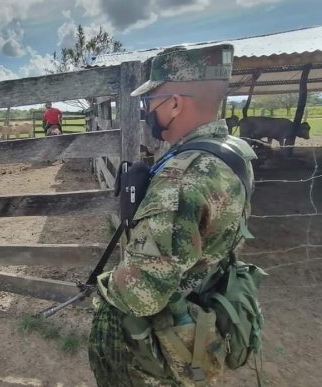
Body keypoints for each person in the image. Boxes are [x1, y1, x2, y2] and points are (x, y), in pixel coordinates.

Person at [88, 44, 259, 386]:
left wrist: (104, 288)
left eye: (150, 102)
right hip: (208, 302)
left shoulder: (181, 178)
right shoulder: (234, 152)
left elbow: (141, 295)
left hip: (170, 339)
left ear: (176, 103)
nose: (148, 111)